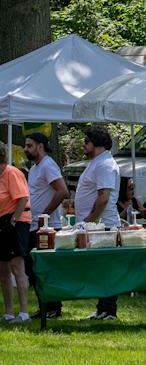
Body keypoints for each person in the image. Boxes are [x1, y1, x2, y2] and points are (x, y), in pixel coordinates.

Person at [75, 127, 123, 320]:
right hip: (96, 224)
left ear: (96, 143)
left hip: (103, 225)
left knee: (107, 268)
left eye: (86, 141)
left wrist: (89, 220)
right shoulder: (97, 163)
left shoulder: (105, 165)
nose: (84, 144)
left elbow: (103, 197)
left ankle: (109, 310)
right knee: (100, 268)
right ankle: (102, 308)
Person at [24, 132, 68, 319]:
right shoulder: (35, 168)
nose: (26, 149)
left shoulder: (48, 165)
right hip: (33, 225)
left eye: (29, 145)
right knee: (32, 268)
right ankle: (44, 305)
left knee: (46, 268)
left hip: (48, 227)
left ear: (40, 146)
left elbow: (62, 191)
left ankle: (53, 307)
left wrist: (45, 215)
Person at [0, 145, 32, 323]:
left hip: (16, 222)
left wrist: (13, 220)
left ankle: (24, 313)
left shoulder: (12, 173)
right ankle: (9, 312)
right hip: (2, 222)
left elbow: (23, 198)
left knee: (17, 266)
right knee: (3, 269)